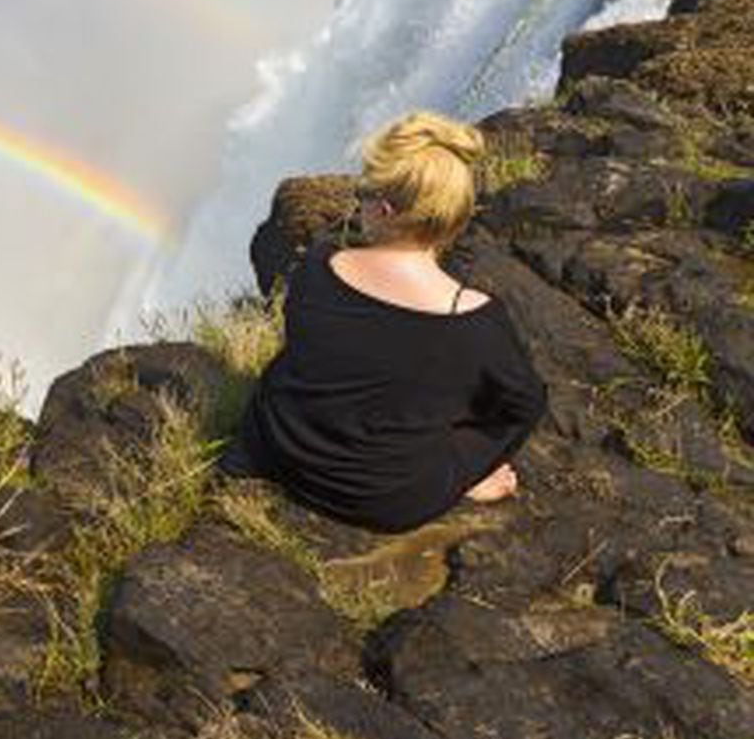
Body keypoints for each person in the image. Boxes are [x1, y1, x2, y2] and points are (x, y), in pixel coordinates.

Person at [220, 110, 546, 532]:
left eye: (365, 192)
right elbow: (525, 403)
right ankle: (471, 480)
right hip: (383, 499)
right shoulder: (472, 320)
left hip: (280, 453)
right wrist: (468, 468)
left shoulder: (320, 267)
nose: (359, 202)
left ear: (386, 210)